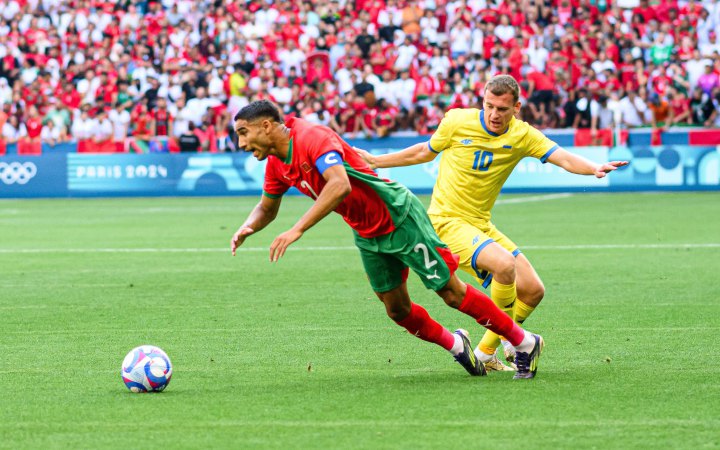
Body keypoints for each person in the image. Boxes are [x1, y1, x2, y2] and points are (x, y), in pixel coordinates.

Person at [230, 99, 545, 379]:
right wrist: (248, 226)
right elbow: (266, 207)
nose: (241, 143)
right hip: (367, 232)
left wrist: (297, 228)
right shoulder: (276, 164)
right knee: (397, 309)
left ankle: (523, 341)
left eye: (244, 132)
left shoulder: (312, 137)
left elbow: (340, 185)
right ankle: (456, 345)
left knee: (450, 291)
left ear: (267, 125)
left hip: (397, 216)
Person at [356, 75, 628, 371]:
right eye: (489, 106)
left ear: (517, 108)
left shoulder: (523, 135)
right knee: (504, 266)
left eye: (502, 108)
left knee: (533, 290)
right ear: (482, 102)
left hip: (479, 223)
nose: (495, 114)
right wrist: (376, 160)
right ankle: (514, 338)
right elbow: (424, 151)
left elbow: (561, 157)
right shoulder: (457, 121)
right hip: (446, 221)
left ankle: (486, 352)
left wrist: (593, 168)